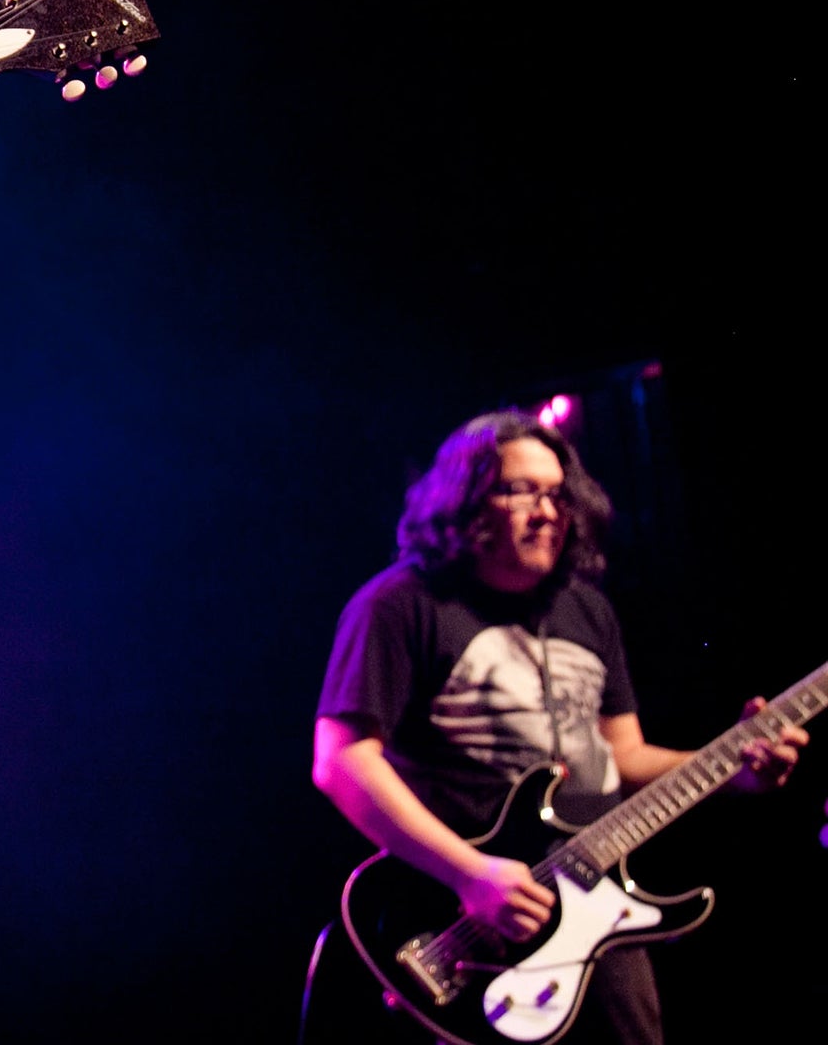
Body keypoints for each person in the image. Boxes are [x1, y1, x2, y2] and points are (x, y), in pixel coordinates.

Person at [310, 412, 808, 1044]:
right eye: (519, 490)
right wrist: (468, 873)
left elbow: (621, 755)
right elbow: (342, 762)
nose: (545, 510)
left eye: (555, 493)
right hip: (465, 920)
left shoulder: (586, 608)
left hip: (597, 908)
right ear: (461, 501)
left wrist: (731, 770)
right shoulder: (400, 604)